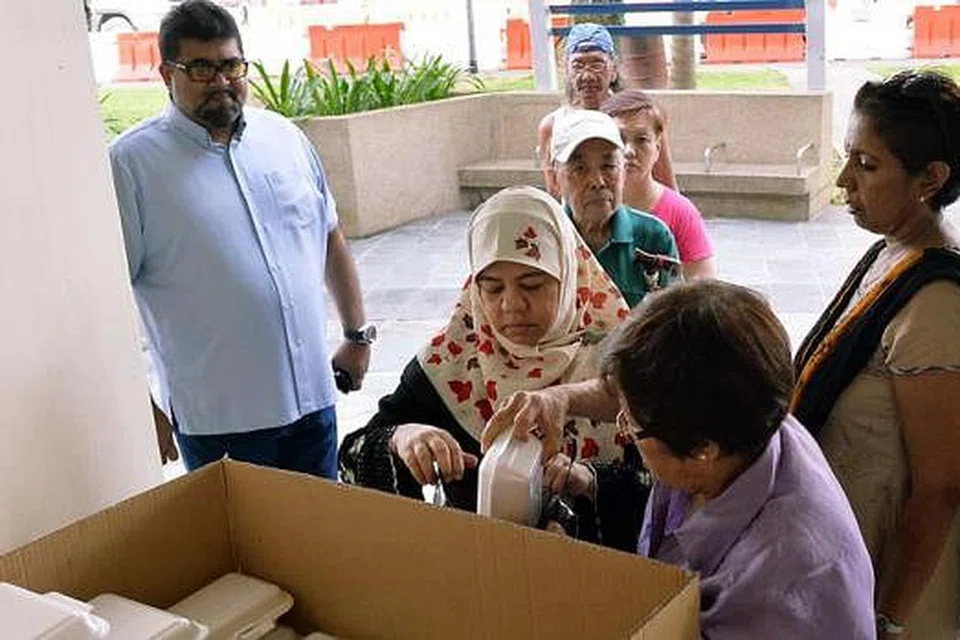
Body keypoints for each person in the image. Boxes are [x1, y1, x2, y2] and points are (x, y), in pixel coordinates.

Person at [481, 281, 876, 638]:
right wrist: (560, 400)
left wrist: (572, 596)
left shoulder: (772, 595)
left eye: (631, 427)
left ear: (702, 449)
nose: (622, 427)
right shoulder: (744, 411)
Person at [109, 0, 373, 478]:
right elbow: (105, 298)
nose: (221, 81)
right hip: (221, 422)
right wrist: (136, 404)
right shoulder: (131, 165)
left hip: (313, 404)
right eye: (202, 68)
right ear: (166, 73)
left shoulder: (286, 139)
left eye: (231, 65)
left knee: (322, 543)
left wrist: (357, 334)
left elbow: (329, 236)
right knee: (242, 553)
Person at [339, 186, 631, 522]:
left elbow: (671, 481)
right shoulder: (451, 363)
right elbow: (351, 453)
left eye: (532, 284)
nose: (511, 305)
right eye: (492, 287)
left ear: (568, 276)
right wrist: (401, 439)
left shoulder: (618, 360)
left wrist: (591, 482)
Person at [791, 70, 960, 639]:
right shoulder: (891, 253)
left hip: (891, 581)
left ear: (930, 179)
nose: (842, 179)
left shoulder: (935, 303)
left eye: (866, 166)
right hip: (850, 545)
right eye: (848, 158)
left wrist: (888, 618)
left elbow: (940, 487)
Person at [552, 107, 679, 307]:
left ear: (623, 170)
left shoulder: (653, 237)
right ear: (555, 177)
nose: (597, 181)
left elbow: (672, 320)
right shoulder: (546, 238)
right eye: (580, 169)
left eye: (608, 166)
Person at [537, 23, 676, 199]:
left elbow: (668, 189)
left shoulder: (640, 117)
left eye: (597, 64)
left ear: (614, 70)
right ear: (567, 71)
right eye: (578, 65)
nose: (587, 76)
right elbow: (556, 195)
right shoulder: (552, 125)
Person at [600, 90, 717, 280]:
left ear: (657, 148)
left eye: (642, 140)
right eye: (619, 139)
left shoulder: (680, 211)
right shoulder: (587, 206)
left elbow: (702, 284)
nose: (629, 151)